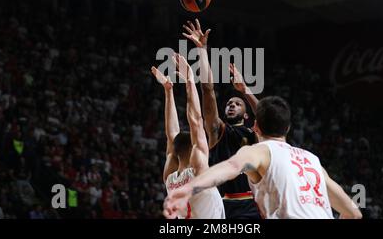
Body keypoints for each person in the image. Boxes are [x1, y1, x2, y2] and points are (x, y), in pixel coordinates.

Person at [164, 96, 363, 219]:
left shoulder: (259, 151)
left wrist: (190, 187)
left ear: (256, 127)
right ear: (288, 128)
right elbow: (353, 212)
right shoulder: (313, 161)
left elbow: (230, 167)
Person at [182, 19, 260, 219]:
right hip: (223, 203)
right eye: (229, 104)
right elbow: (208, 91)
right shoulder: (219, 131)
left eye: (237, 103)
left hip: (255, 203)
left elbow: (271, 118)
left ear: (246, 114)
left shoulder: (255, 133)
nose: (231, 105)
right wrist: (201, 50)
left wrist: (246, 90)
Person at [151, 53, 224, 219]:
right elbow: (196, 121)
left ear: (176, 152)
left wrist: (168, 91)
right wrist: (189, 81)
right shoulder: (199, 171)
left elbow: (171, 136)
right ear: (194, 148)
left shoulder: (170, 180)